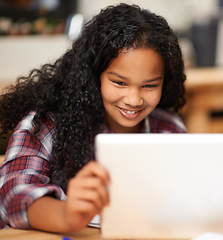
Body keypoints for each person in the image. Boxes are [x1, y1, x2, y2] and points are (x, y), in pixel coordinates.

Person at [0, 3, 186, 233]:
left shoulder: (169, 128)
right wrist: (68, 215)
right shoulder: (47, 125)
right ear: (93, 76)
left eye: (149, 85)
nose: (134, 99)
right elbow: (12, 194)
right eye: (119, 82)